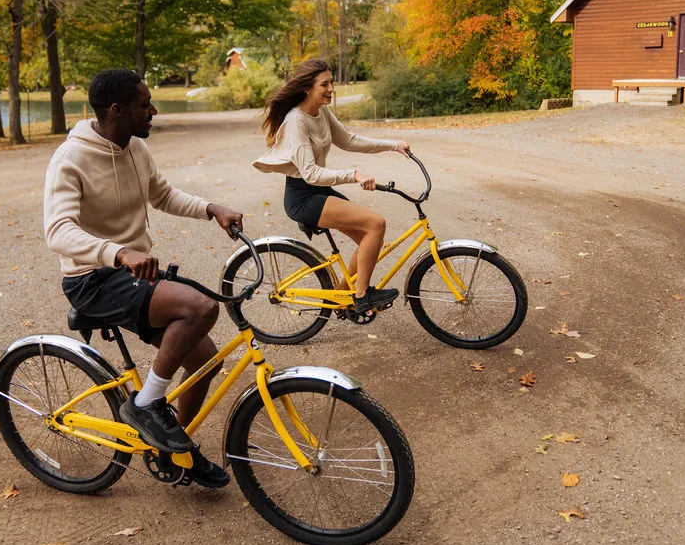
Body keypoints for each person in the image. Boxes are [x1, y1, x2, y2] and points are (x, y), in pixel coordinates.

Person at [43, 68, 244, 488]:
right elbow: (58, 230)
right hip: (92, 279)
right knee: (200, 306)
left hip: (133, 274)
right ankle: (145, 404)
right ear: (117, 110)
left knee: (206, 360)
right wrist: (118, 252)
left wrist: (212, 208)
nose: (152, 110)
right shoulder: (70, 158)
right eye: (143, 104)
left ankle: (176, 454)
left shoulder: (134, 147)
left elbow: (163, 194)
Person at [253, 59, 410, 314]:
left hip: (319, 191)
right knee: (376, 224)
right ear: (307, 88)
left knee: (371, 240)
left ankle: (339, 296)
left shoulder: (321, 111)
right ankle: (362, 295)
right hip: (303, 196)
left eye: (331, 83)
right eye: (324, 84)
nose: (331, 89)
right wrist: (354, 174)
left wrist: (394, 145)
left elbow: (349, 140)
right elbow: (311, 174)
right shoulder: (296, 121)